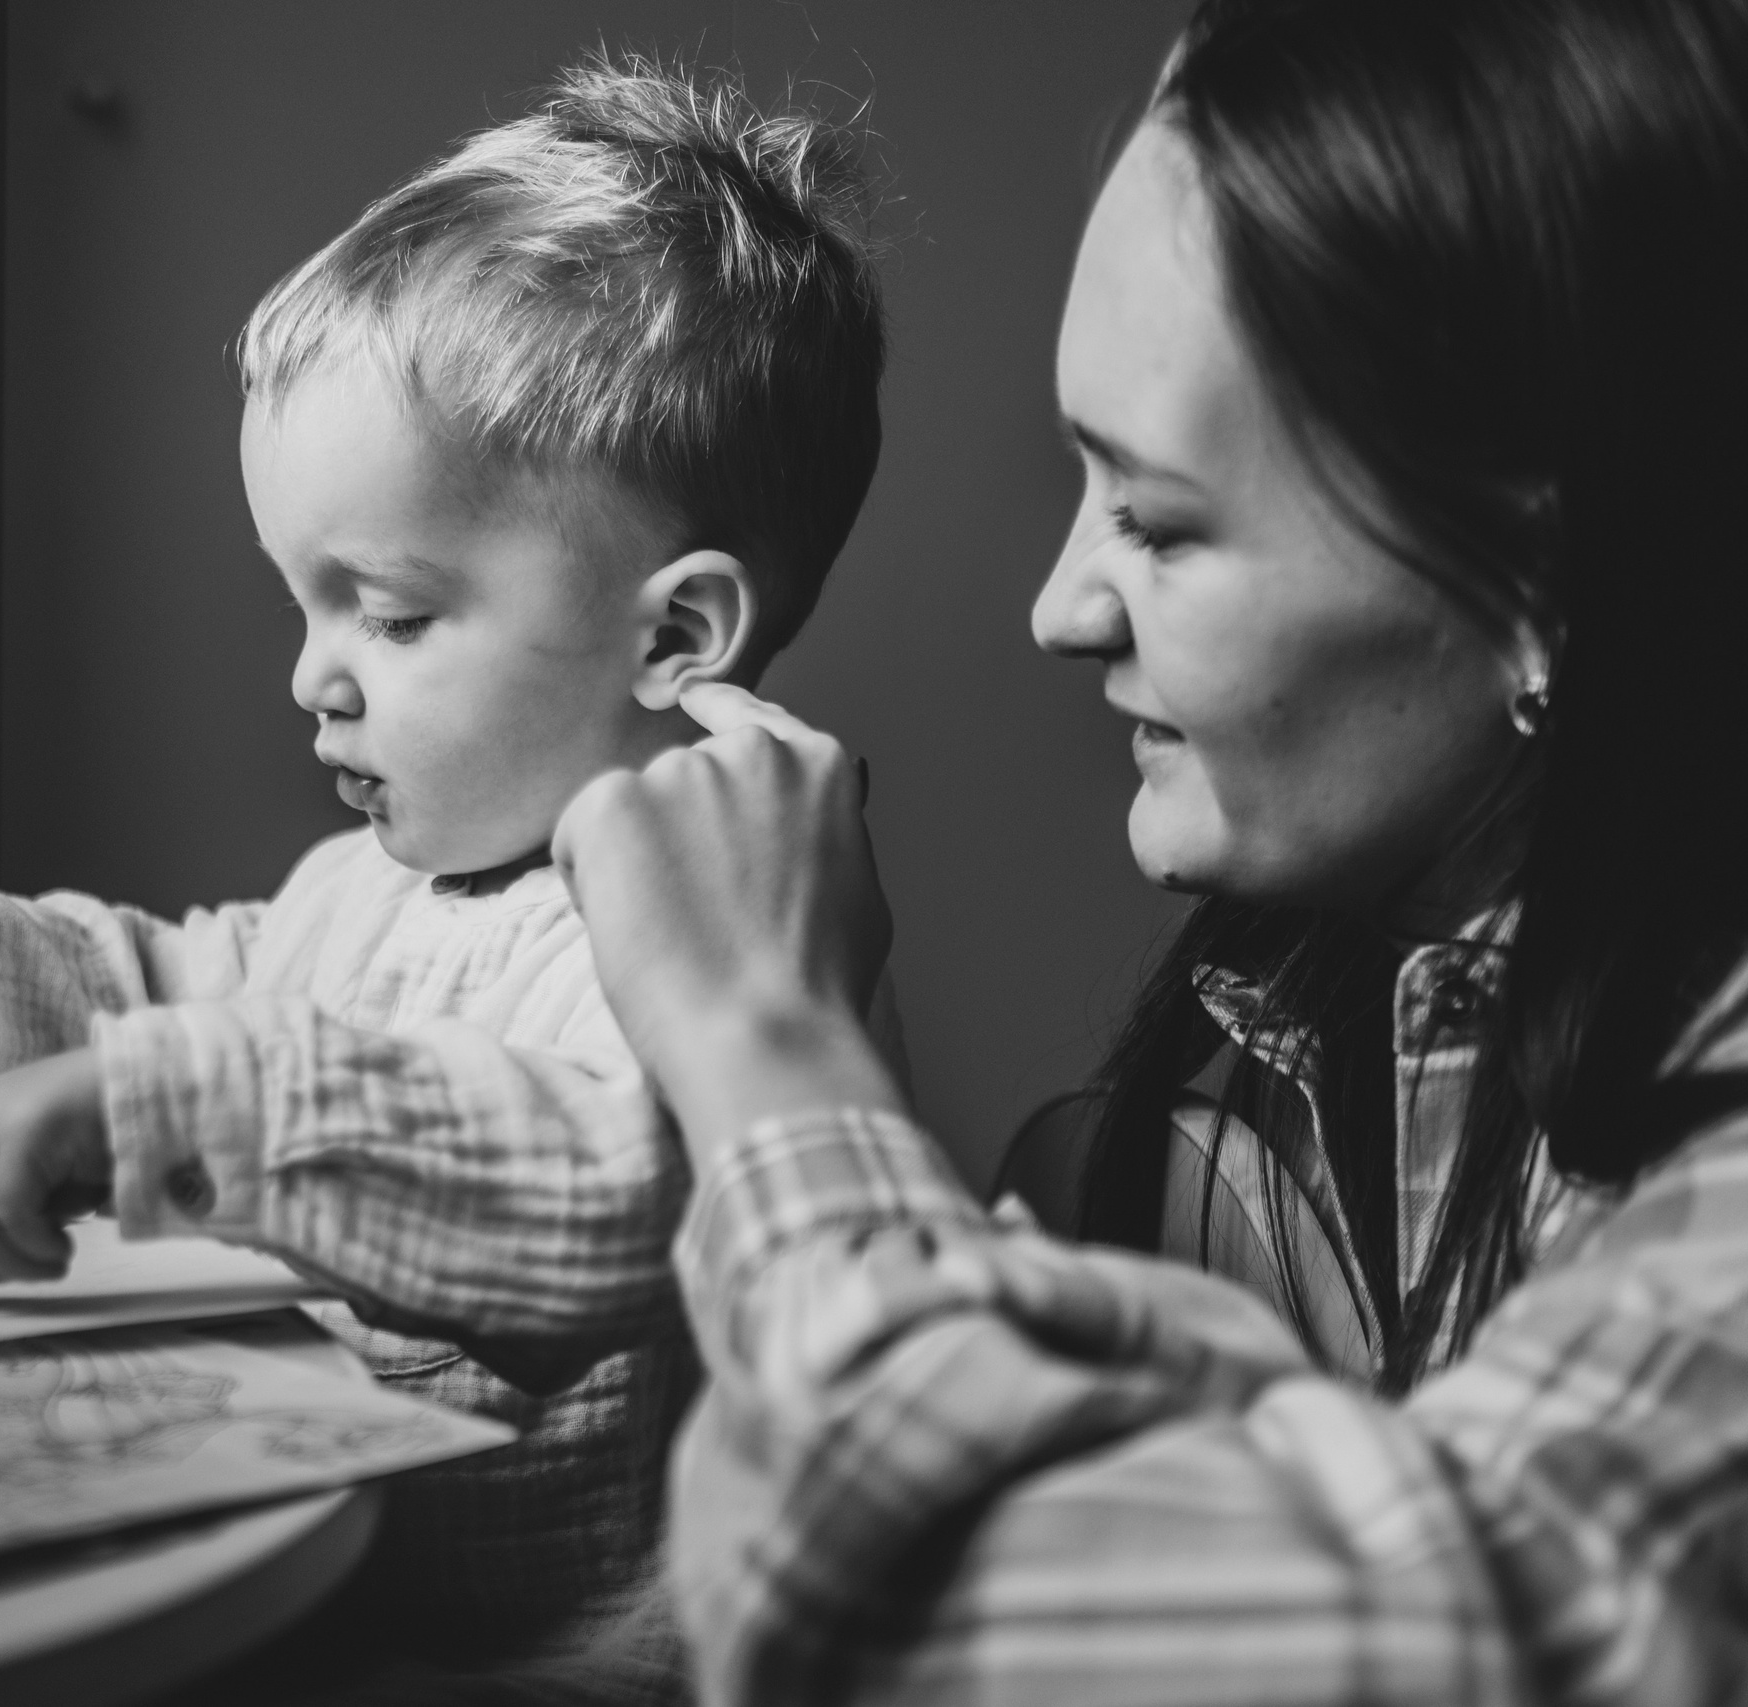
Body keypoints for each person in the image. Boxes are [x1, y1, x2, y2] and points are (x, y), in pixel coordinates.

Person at [529, 0, 1748, 1700]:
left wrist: (768, 1044)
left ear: (1543, 588)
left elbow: (968, 1627)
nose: (1058, 609)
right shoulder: (1290, 1093)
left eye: (1161, 522)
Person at [0, 59, 888, 1671]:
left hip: (557, 1667)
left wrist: (165, 1104)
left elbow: (608, 1186)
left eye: (393, 615)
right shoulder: (374, 886)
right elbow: (156, 983)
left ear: (673, 633)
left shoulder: (725, 936)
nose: (314, 677)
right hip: (316, 1604)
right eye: (303, 605)